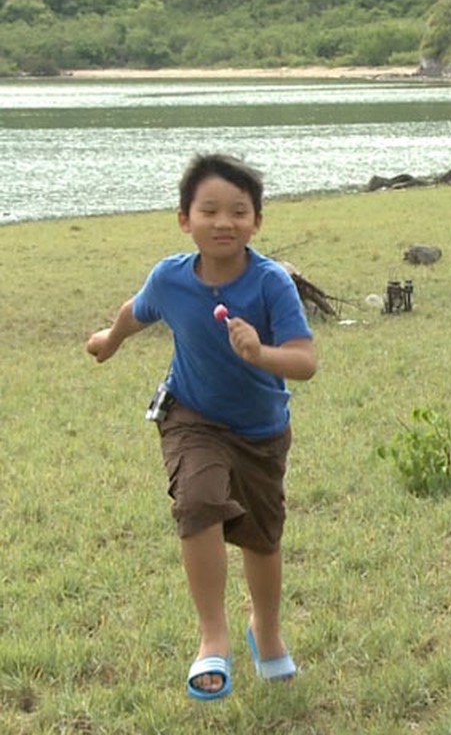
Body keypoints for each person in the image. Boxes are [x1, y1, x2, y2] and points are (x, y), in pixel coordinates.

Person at [85, 154, 317, 700]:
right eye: (208, 210)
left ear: (256, 221)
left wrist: (260, 352)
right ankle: (212, 636)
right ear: (184, 219)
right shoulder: (170, 278)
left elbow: (305, 362)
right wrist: (108, 341)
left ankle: (266, 630)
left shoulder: (271, 284)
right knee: (197, 502)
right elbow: (136, 310)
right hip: (191, 416)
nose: (223, 222)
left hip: (262, 429)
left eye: (238, 211)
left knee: (262, 539)